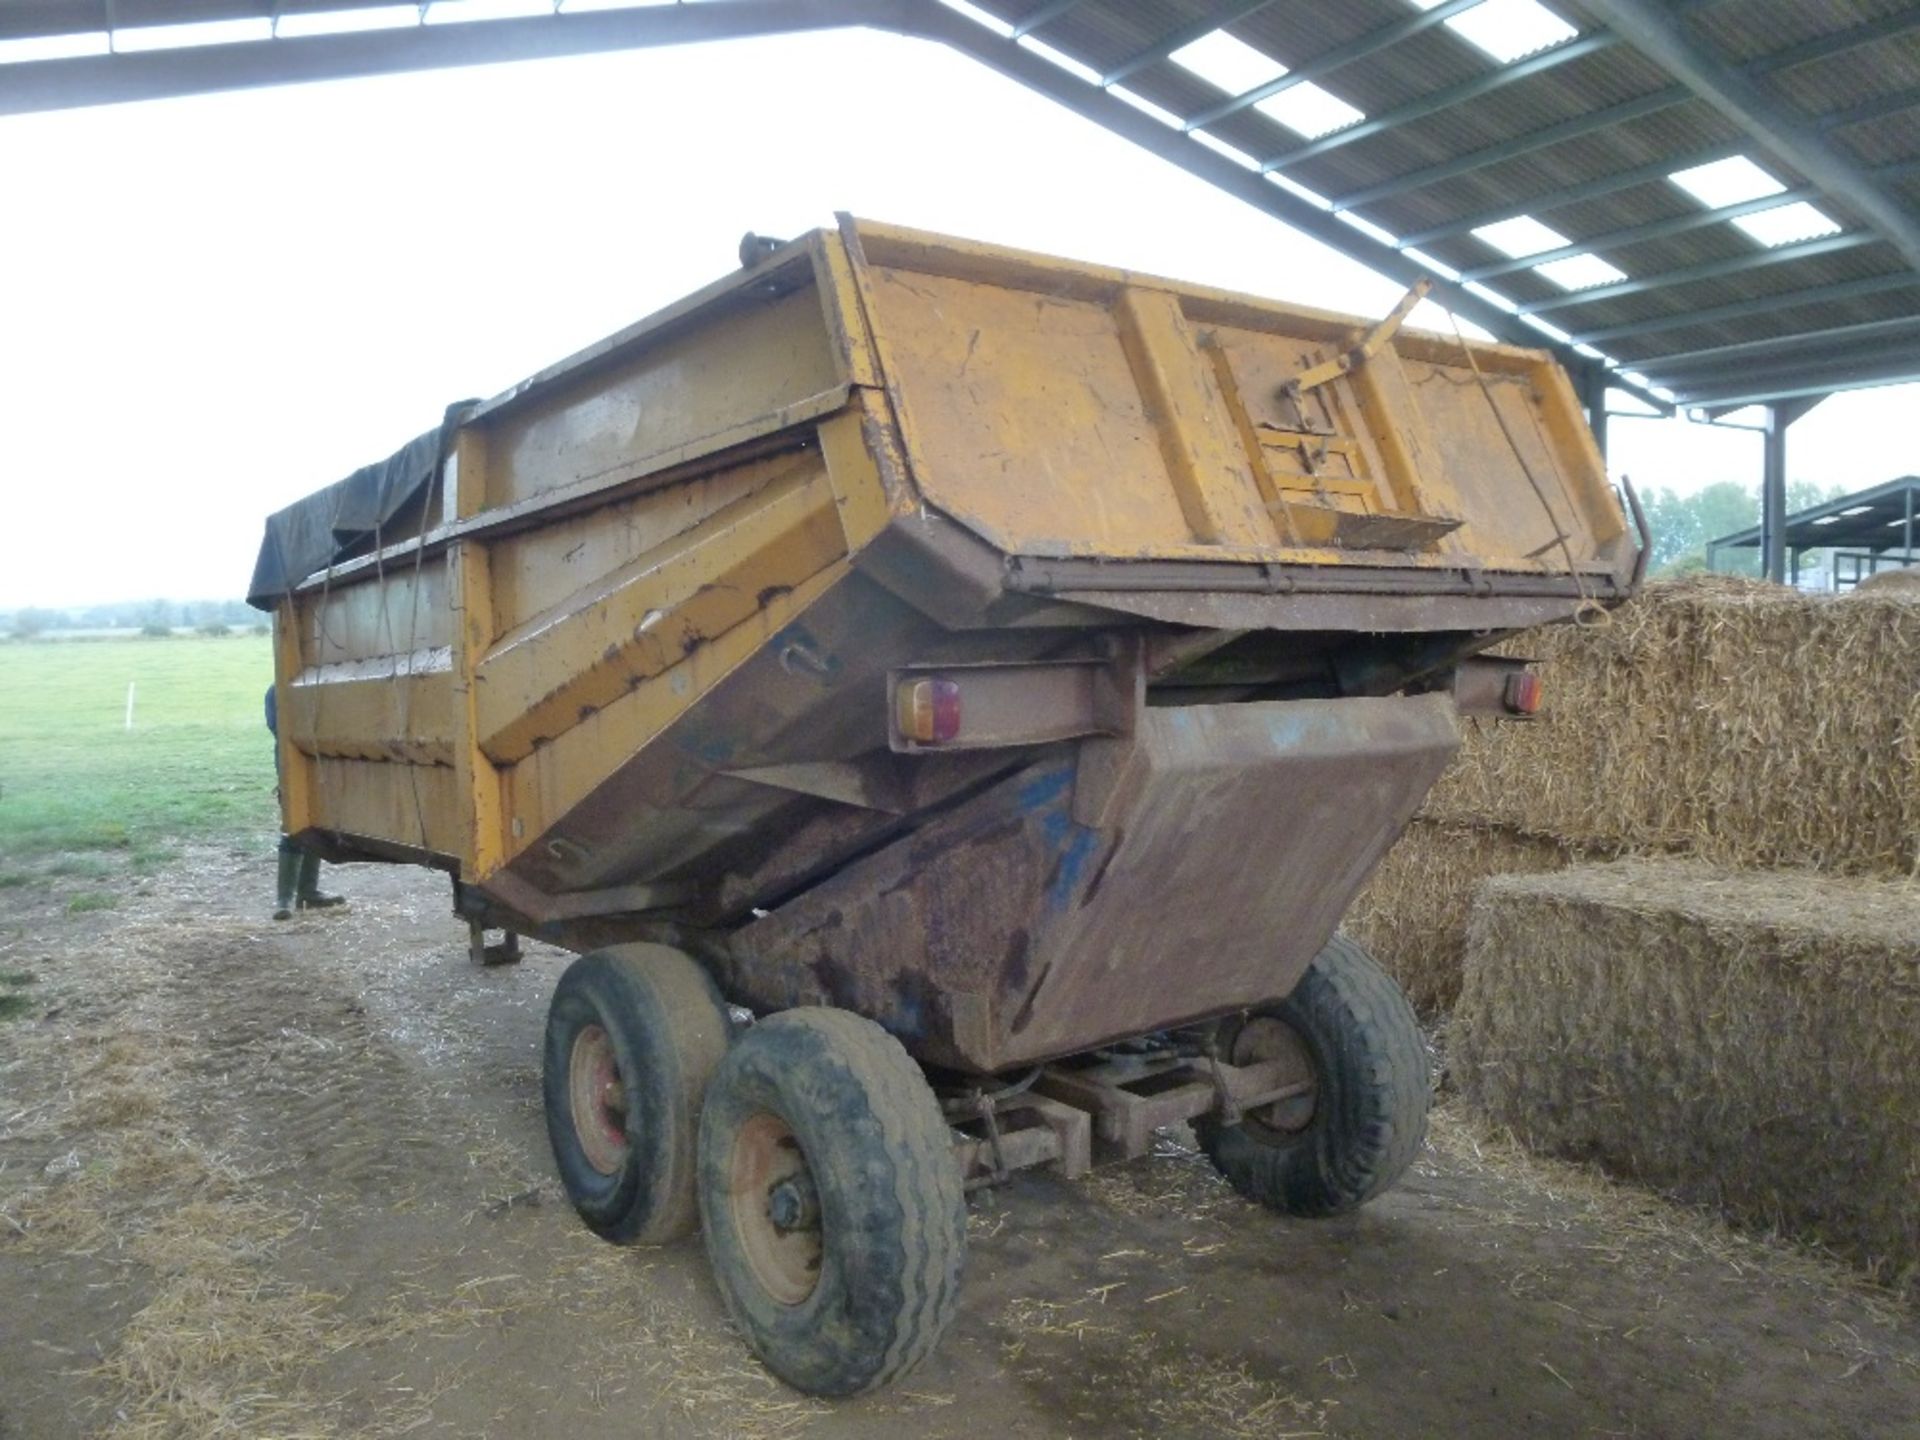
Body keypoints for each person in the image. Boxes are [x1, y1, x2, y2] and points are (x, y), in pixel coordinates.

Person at [265, 684, 345, 920]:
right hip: (293, 764)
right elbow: (282, 731)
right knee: (294, 824)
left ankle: (307, 892)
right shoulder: (277, 691)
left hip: (319, 763)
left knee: (317, 821)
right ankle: (284, 899)